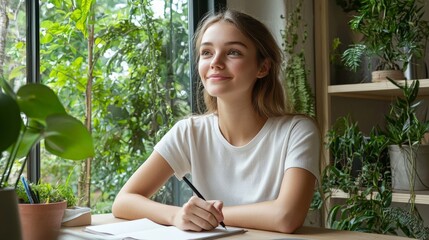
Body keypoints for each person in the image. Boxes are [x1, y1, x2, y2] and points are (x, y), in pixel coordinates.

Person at [112, 9, 320, 234]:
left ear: (263, 67)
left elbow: (286, 216)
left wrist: (208, 214)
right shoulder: (189, 132)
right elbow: (123, 201)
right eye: (207, 52)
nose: (216, 62)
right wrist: (177, 216)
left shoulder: (297, 131)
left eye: (233, 52)